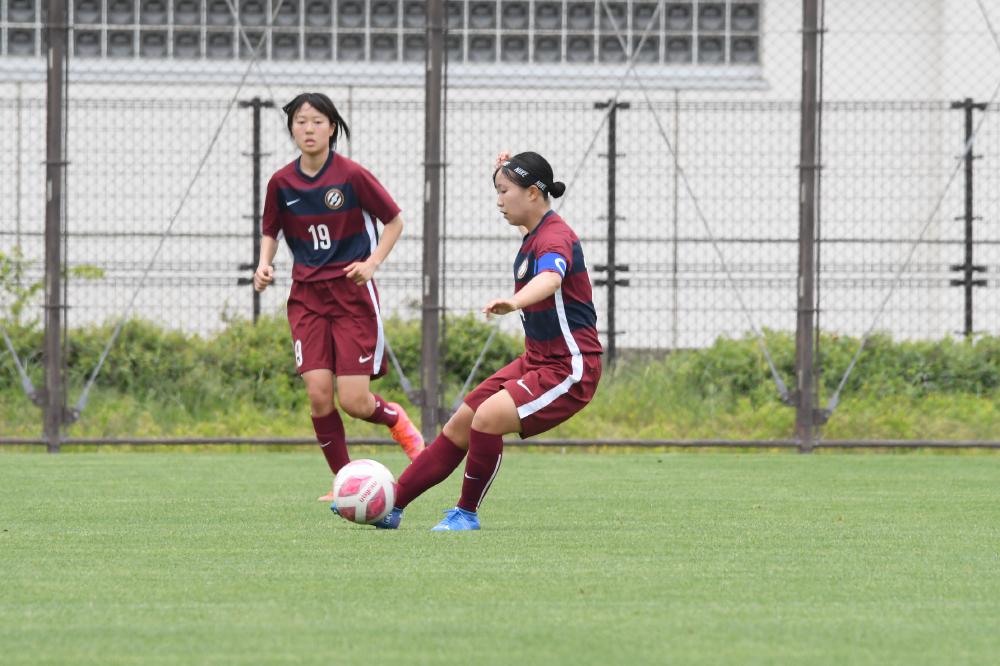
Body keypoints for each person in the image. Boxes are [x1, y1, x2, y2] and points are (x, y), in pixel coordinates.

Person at [369, 151, 603, 530]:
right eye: (497, 190)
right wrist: (510, 166)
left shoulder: (555, 237)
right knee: (461, 422)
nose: (498, 200)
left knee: (489, 418)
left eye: (504, 190)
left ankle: (466, 514)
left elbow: (551, 279)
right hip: (537, 360)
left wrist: (515, 301)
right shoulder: (533, 236)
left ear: (532, 194)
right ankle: (391, 503)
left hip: (571, 367)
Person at [254, 92, 424, 502]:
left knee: (354, 401)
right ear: (291, 128)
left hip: (351, 296)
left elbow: (395, 221)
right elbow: (271, 230)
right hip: (307, 297)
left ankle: (400, 423)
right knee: (317, 393)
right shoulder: (281, 182)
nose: (308, 129)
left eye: (316, 121)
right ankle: (345, 482)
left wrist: (372, 264)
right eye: (300, 121)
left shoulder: (351, 175)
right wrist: (264, 264)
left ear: (332, 127)